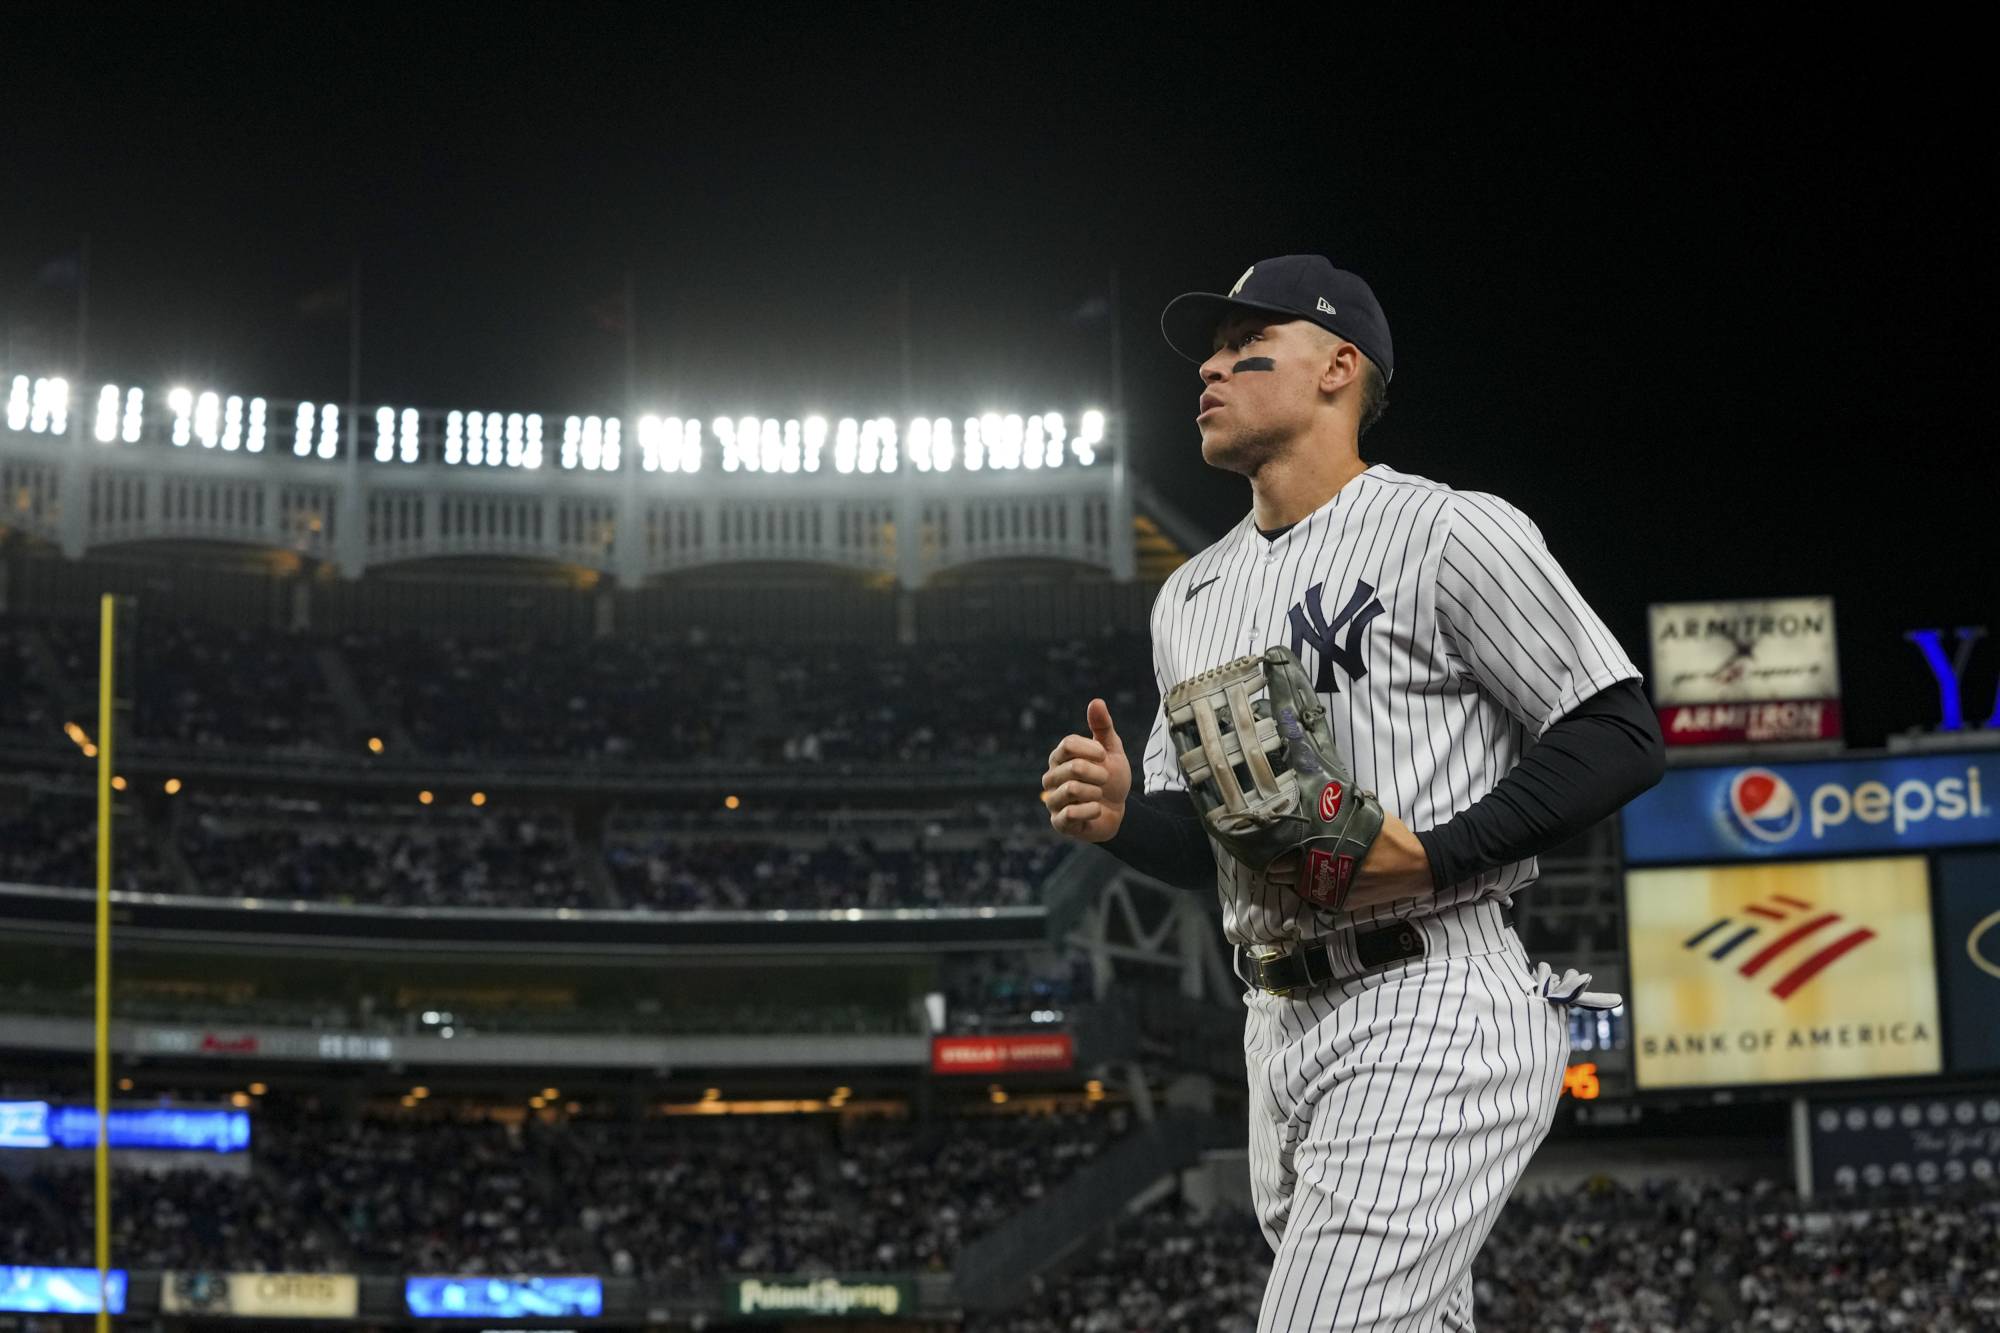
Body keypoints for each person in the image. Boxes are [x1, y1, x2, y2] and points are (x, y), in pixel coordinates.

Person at [1040, 254, 1665, 1331]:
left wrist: (1437, 851)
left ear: (1339, 368)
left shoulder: (1447, 530)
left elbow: (1616, 733)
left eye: (1246, 351)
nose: (1209, 371)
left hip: (1431, 990)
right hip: (1276, 1016)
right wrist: (1117, 822)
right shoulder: (1190, 595)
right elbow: (1208, 843)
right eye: (1206, 356)